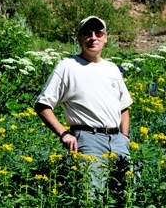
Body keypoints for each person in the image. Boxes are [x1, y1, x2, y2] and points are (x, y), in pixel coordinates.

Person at [34, 15, 133, 197]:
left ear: (105, 38)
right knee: (91, 195)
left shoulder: (112, 69)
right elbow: (42, 104)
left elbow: (124, 107)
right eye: (87, 33)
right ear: (79, 38)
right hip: (88, 140)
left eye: (98, 33)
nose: (93, 37)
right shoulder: (67, 66)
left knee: (125, 194)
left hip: (117, 140)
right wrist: (63, 133)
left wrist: (125, 137)